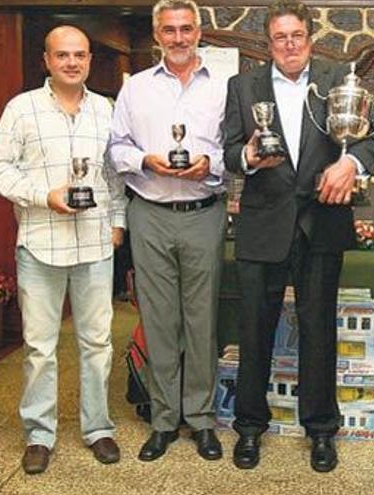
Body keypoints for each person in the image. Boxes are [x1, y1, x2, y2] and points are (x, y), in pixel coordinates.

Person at [222, 0, 374, 473]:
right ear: (267, 43)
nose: (289, 45)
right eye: (279, 38)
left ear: (310, 38)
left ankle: (321, 431)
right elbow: (230, 150)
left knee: (318, 331)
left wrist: (349, 163)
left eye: (297, 36)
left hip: (321, 221)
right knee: (253, 330)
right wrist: (248, 156)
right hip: (262, 222)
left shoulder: (338, 78)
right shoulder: (242, 86)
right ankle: (250, 427)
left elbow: (367, 138)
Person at [0, 25, 127, 474]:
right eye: (63, 55)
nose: (72, 62)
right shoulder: (21, 108)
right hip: (40, 243)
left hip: (94, 244)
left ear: (89, 60)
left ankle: (98, 428)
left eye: (80, 55)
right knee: (39, 347)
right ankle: (39, 434)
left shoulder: (106, 110)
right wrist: (41, 195)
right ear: (46, 60)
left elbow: (115, 176)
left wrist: (118, 224)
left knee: (98, 343)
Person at [108, 0, 226, 462]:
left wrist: (208, 166)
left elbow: (234, 148)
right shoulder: (135, 89)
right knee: (158, 322)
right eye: (169, 30)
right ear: (156, 35)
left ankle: (199, 419)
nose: (178, 38)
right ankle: (162, 420)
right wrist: (144, 161)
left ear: (199, 31)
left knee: (202, 322)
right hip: (150, 214)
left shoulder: (223, 87)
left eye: (186, 29)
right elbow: (116, 146)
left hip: (204, 212)